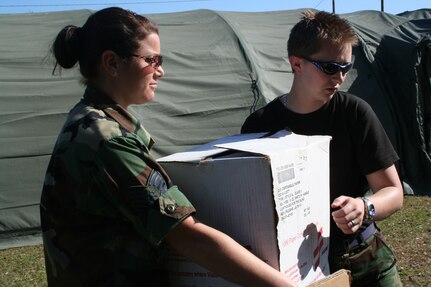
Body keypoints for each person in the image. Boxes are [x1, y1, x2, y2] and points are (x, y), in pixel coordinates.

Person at [40, 7, 297, 287]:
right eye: (152, 60)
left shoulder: (91, 121)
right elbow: (189, 238)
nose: (160, 71)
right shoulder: (106, 139)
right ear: (112, 63)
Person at [241, 10, 404, 287]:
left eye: (346, 67)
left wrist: (364, 207)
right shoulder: (259, 126)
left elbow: (393, 192)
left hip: (365, 261)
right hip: (296, 269)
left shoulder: (354, 113)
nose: (340, 78)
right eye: (330, 67)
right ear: (297, 64)